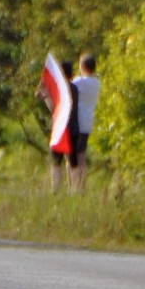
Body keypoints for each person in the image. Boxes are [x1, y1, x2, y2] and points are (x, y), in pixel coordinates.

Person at [36, 59, 79, 192]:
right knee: (73, 162)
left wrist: (45, 97)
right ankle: (74, 190)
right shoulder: (74, 88)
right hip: (73, 127)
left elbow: (54, 109)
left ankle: (56, 189)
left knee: (56, 162)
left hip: (60, 129)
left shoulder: (58, 90)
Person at [70, 52, 101, 191]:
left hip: (77, 123)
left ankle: (76, 186)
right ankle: (81, 186)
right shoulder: (96, 83)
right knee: (81, 154)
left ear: (83, 66)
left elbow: (67, 87)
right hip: (88, 122)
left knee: (75, 157)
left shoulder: (80, 82)